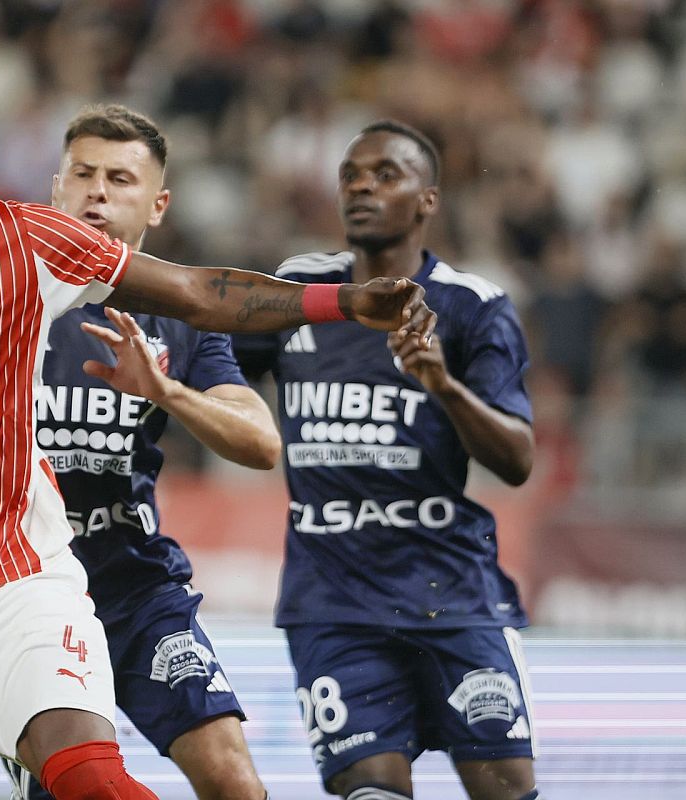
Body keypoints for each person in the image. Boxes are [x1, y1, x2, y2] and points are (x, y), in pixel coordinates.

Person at [0, 54, 433, 800]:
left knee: (95, 781)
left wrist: (344, 301)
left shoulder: (18, 242)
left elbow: (196, 292)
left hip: (27, 577)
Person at [233, 120, 542, 800]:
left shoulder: (472, 306)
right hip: (332, 601)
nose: (361, 187)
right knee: (372, 792)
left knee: (507, 790)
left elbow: (518, 460)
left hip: (452, 596)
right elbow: (213, 360)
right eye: (350, 176)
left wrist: (443, 385)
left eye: (384, 175)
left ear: (427, 200)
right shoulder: (299, 290)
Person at [0, 104, 275, 800]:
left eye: (120, 179)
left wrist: (168, 391)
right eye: (82, 174)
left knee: (234, 781)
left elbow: (262, 443)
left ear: (157, 205)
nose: (97, 192)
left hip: (135, 588)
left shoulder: (181, 315)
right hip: (21, 594)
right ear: (56, 187)